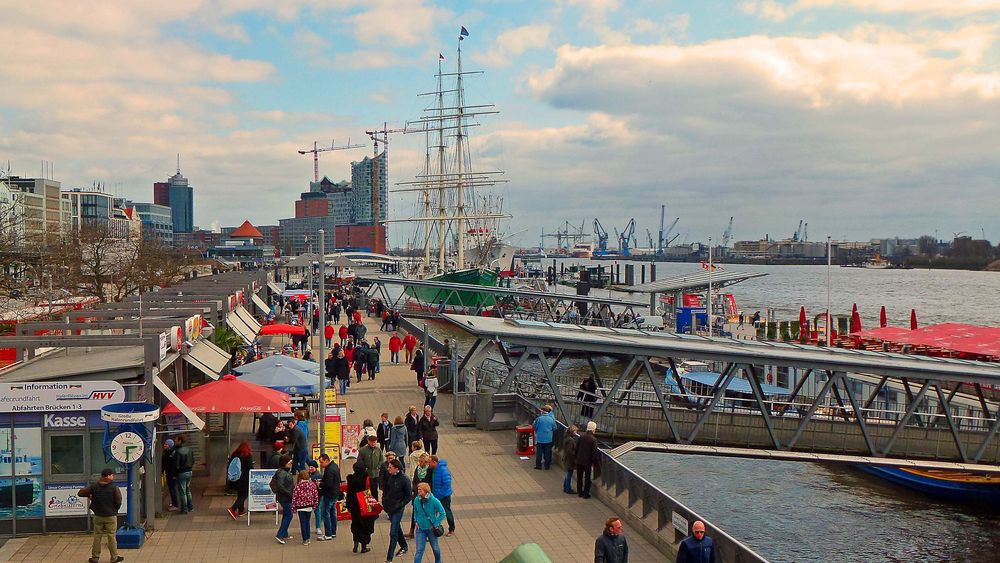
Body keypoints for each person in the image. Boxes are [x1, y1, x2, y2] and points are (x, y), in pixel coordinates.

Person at [79, 468, 123, 563]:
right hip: (111, 516)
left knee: (97, 536)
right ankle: (114, 557)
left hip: (98, 515)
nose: (113, 477)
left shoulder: (94, 487)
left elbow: (80, 493)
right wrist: (115, 509)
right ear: (107, 476)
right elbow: (118, 501)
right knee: (111, 536)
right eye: (111, 475)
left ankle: (95, 557)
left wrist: (90, 496)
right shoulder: (114, 488)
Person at [382, 458, 412, 562]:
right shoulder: (390, 476)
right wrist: (384, 502)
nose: (388, 469)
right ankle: (404, 545)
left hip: (397, 509)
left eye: (390, 467)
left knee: (393, 532)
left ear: (396, 468)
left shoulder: (404, 480)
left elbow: (409, 496)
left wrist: (399, 505)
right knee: (397, 527)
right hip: (389, 507)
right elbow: (387, 490)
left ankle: (389, 559)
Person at [346, 460, 377, 554]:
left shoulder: (351, 480)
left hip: (354, 506)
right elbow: (374, 493)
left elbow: (349, 494)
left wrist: (349, 506)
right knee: (366, 525)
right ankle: (364, 546)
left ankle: (355, 544)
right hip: (365, 505)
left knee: (356, 524)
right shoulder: (368, 479)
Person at [412, 482, 445, 563]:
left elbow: (442, 513)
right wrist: (416, 521)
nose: (418, 491)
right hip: (420, 529)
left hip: (431, 529)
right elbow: (415, 511)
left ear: (426, 491)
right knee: (419, 550)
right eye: (418, 489)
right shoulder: (416, 500)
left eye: (420, 490)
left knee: (435, 548)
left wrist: (436, 523)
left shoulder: (434, 501)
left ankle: (438, 561)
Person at [428, 455, 455, 537]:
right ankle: (434, 528)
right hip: (436, 494)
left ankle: (452, 528)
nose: (428, 464)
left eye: (429, 462)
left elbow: (447, 484)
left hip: (444, 496)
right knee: (433, 512)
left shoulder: (443, 470)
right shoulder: (434, 470)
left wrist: (440, 493)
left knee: (446, 511)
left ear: (434, 462)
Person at [317, 453, 341, 541]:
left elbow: (329, 484)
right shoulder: (334, 466)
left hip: (329, 494)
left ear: (326, 460)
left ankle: (328, 533)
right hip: (335, 494)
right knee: (333, 513)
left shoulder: (329, 470)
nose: (320, 464)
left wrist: (320, 484)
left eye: (321, 462)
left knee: (326, 513)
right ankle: (333, 532)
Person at [226, 441, 254, 519]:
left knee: (240, 494)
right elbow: (250, 467)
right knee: (244, 494)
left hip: (236, 478)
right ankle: (233, 508)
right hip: (244, 478)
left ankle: (241, 510)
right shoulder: (247, 455)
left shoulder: (234, 454)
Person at [272, 455, 296, 544]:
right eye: (289, 463)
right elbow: (280, 486)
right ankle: (280, 534)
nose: (291, 464)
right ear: (284, 463)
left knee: (286, 514)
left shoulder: (285, 471)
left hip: (285, 496)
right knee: (289, 515)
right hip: (285, 497)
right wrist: (289, 493)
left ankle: (284, 533)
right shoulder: (282, 473)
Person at [291, 469, 319, 545]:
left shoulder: (298, 486)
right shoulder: (312, 484)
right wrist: (315, 505)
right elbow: (315, 495)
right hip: (309, 506)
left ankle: (305, 539)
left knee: (302, 523)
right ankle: (308, 538)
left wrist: (293, 508)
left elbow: (294, 497)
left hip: (300, 507)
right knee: (307, 522)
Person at [358, 430, 386, 498]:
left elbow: (382, 460)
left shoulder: (378, 450)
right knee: (366, 490)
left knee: (374, 490)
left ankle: (375, 502)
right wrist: (364, 468)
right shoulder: (363, 450)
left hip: (376, 474)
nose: (373, 443)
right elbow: (359, 461)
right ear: (368, 441)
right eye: (372, 442)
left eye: (375, 442)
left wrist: (378, 466)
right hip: (367, 474)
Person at [576, 421, 599, 499]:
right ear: (593, 430)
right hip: (587, 462)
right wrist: (594, 463)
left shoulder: (581, 437)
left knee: (579, 477)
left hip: (579, 460)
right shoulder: (593, 440)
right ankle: (586, 494)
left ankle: (579, 492)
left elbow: (577, 448)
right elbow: (594, 453)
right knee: (587, 478)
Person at [173, 433, 194, 513]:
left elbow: (177, 465)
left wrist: (175, 474)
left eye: (176, 439)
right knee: (188, 490)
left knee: (182, 491)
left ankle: (184, 509)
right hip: (189, 471)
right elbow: (193, 460)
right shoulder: (189, 449)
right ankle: (190, 507)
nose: (175, 441)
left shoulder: (178, 451)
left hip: (181, 472)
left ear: (180, 440)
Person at [533, 404, 556, 470]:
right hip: (548, 438)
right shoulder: (551, 419)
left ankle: (538, 465)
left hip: (540, 438)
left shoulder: (539, 419)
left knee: (539, 452)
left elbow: (535, 427)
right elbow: (554, 428)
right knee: (548, 452)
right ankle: (547, 466)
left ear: (542, 412)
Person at [162, 439, 179, 511]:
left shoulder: (172, 454)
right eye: (164, 444)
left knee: (172, 489)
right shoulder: (167, 452)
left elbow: (174, 465)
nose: (164, 445)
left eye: (166, 444)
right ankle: (174, 503)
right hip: (169, 473)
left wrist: (175, 475)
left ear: (169, 446)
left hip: (172, 475)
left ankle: (175, 504)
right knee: (171, 489)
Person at [562, 425, 578, 494]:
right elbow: (570, 452)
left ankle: (565, 487)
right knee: (569, 474)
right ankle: (568, 488)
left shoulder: (566, 438)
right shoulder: (570, 440)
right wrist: (574, 458)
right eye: (575, 431)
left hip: (566, 459)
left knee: (567, 474)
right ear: (572, 431)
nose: (576, 432)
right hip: (569, 460)